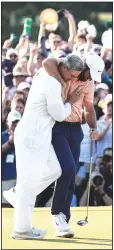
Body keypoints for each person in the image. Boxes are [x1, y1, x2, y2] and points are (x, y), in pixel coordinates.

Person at [4, 54, 84, 240]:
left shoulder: (51, 72)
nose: (73, 80)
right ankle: (21, 230)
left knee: (55, 170)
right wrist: (71, 101)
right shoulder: (53, 83)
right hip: (32, 137)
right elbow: (59, 115)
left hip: (38, 137)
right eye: (72, 76)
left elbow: (51, 60)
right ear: (64, 69)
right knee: (28, 183)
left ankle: (17, 196)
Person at [43, 53, 104, 237]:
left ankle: (63, 219)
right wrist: (63, 84)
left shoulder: (89, 82)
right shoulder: (67, 70)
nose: (91, 78)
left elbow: (89, 108)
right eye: (90, 73)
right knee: (67, 168)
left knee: (71, 174)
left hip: (76, 129)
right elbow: (48, 62)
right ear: (83, 66)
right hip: (58, 127)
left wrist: (93, 127)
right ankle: (56, 213)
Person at [2, 111, 21, 207]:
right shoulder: (2, 136)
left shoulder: (23, 137)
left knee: (20, 206)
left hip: (20, 179)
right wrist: (10, 142)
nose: (16, 125)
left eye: (18, 123)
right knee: (4, 206)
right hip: (6, 179)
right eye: (13, 123)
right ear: (7, 122)